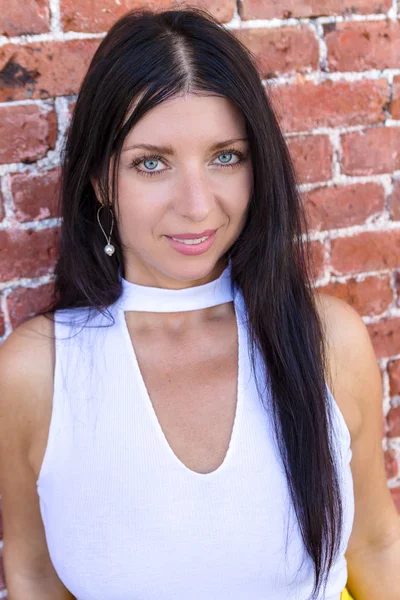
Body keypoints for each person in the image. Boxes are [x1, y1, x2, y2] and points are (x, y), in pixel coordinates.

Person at [0, 6, 399, 600]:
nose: (195, 205)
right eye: (151, 163)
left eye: (224, 157)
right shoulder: (36, 372)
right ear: (99, 181)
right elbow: (32, 575)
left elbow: (374, 545)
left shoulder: (326, 341)